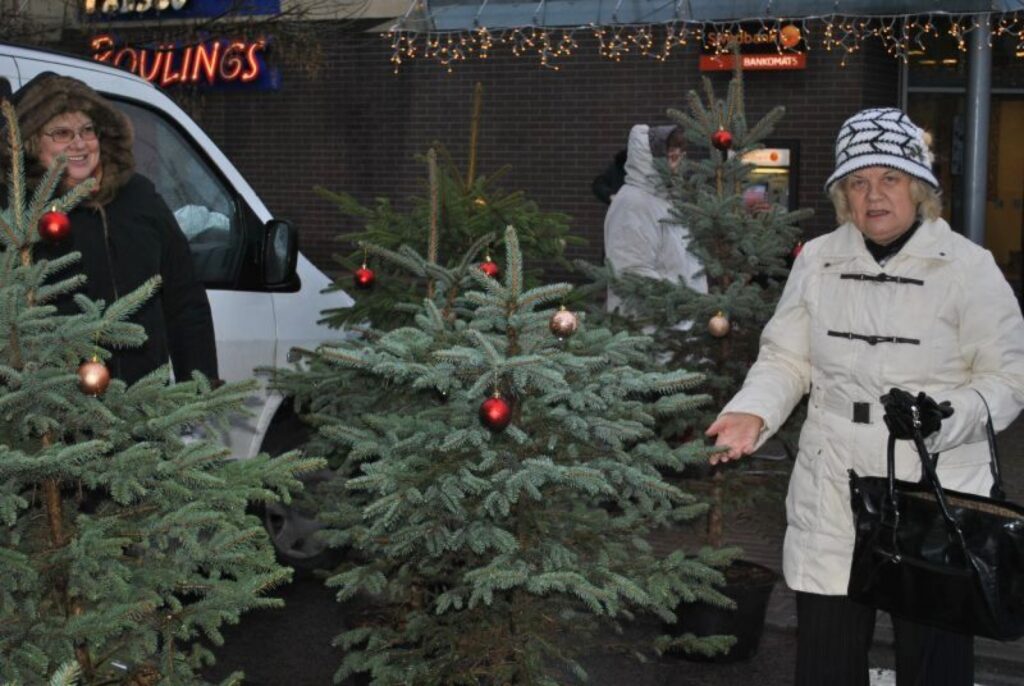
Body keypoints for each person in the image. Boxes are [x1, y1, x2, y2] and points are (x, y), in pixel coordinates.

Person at [705, 107, 1024, 685]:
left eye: (889, 178)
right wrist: (753, 411)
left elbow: (1008, 378)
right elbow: (787, 357)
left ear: (919, 188)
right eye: (858, 181)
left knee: (934, 667)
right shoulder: (819, 260)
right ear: (842, 195)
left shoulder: (969, 268)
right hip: (834, 487)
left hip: (935, 495)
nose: (873, 195)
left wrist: (942, 419)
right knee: (826, 660)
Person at [8, 74, 217, 385]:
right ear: (33, 142)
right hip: (51, 416)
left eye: (87, 130)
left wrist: (200, 383)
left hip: (144, 407)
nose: (78, 143)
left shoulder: (140, 197)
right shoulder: (15, 213)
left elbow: (185, 299)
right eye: (62, 133)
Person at [603, 123, 707, 314]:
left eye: (680, 150)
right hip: (652, 330)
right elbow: (632, 272)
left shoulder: (666, 201)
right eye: (669, 150)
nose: (677, 156)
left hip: (678, 328)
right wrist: (682, 304)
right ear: (647, 156)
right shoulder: (634, 203)